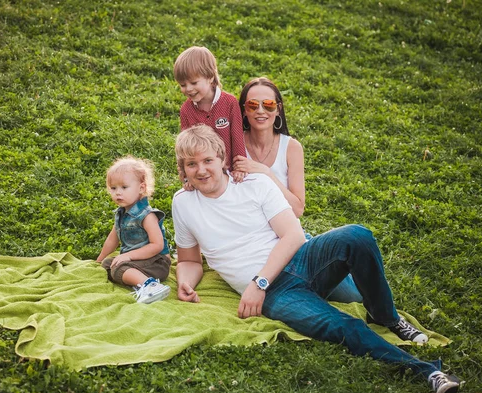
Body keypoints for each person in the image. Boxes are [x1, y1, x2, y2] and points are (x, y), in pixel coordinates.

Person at [171, 125, 461, 393]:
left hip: (299, 259)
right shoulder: (183, 203)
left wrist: (258, 283)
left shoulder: (254, 184)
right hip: (278, 294)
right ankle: (429, 372)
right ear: (183, 169)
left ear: (222, 158)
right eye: (191, 164)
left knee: (356, 236)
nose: (201, 170)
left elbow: (294, 235)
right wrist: (185, 283)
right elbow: (189, 260)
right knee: (342, 327)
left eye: (207, 160)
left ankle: (385, 316)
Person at [233, 77, 362, 303]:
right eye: (253, 105)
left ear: (278, 109)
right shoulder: (235, 145)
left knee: (353, 296)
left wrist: (266, 172)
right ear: (244, 110)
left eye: (268, 105)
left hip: (290, 239)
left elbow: (297, 208)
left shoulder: (291, 147)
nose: (260, 111)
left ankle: (335, 261)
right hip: (253, 244)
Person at [96, 156, 171, 304]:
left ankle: (151, 286)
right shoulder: (121, 214)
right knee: (107, 265)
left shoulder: (147, 215)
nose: (118, 192)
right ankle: (139, 280)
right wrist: (98, 260)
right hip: (138, 261)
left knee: (118, 268)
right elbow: (113, 238)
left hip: (157, 262)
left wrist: (128, 256)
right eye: (113, 188)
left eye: (124, 187)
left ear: (141, 188)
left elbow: (157, 245)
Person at [173, 46, 246, 183]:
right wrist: (185, 174)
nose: (188, 89)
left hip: (229, 172)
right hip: (202, 174)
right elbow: (186, 146)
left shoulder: (229, 102)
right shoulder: (186, 110)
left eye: (194, 82)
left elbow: (237, 137)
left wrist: (240, 168)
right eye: (182, 85)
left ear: (210, 77)